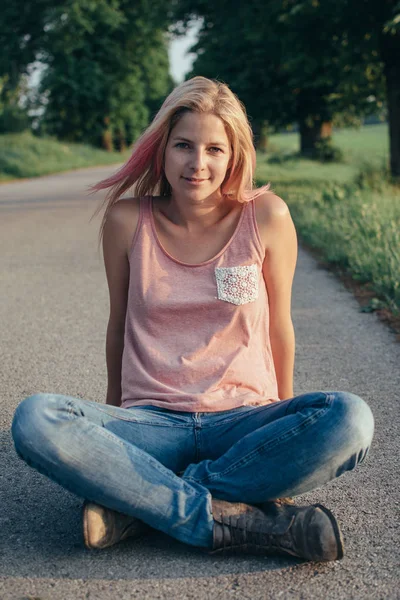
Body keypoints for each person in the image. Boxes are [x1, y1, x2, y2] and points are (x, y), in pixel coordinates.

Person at [11, 76, 374, 562]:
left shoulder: (266, 217)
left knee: (350, 418)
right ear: (162, 149)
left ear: (234, 155)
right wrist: (109, 436)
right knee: (36, 418)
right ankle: (231, 518)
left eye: (214, 149)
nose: (198, 164)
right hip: (150, 423)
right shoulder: (125, 221)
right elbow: (118, 325)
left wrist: (282, 429)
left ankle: (138, 505)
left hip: (244, 421)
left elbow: (280, 327)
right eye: (184, 145)